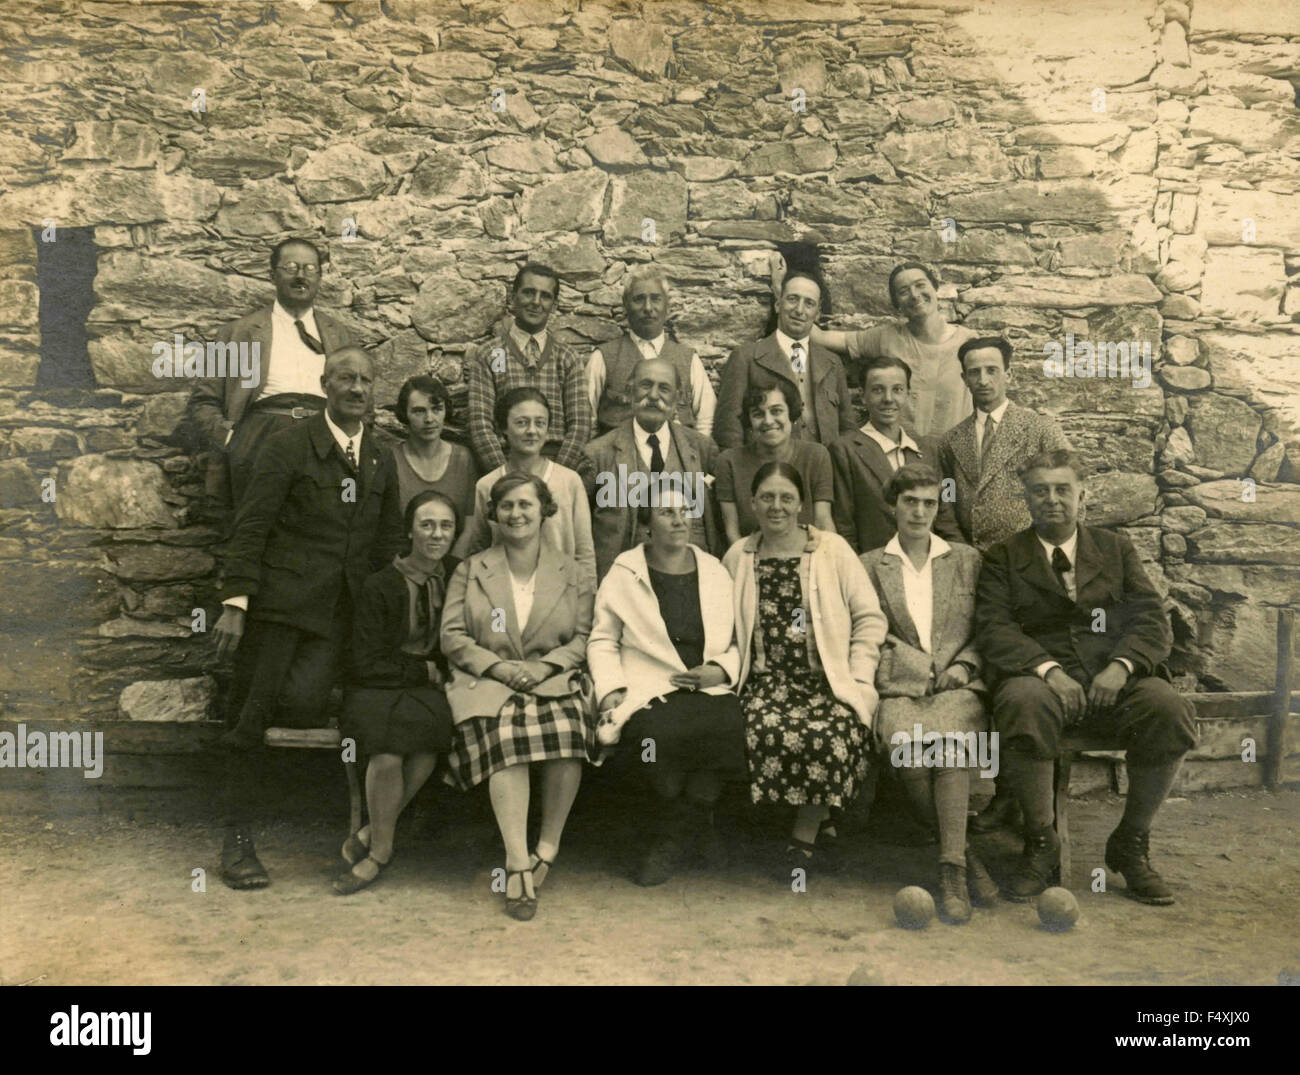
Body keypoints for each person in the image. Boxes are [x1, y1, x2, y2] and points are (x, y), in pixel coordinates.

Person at [212, 346, 404, 889]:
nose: (357, 388)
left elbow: (387, 540)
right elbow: (253, 522)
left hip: (339, 619)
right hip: (280, 609)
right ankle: (237, 842)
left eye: (366, 380)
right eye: (346, 378)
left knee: (303, 704)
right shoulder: (289, 443)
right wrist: (236, 602)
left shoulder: (379, 457)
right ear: (325, 384)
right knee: (250, 717)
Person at [975, 450, 1197, 904]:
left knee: (1168, 708)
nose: (1052, 499)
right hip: (1042, 683)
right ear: (1026, 498)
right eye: (1040, 491)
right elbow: (995, 628)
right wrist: (1049, 671)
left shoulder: (1115, 549)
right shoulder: (1003, 557)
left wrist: (1121, 666)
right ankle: (1042, 842)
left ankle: (1131, 842)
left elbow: (1151, 619)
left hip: (1114, 682)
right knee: (1021, 701)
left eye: (1063, 489)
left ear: (1082, 496)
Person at [440, 473, 596, 921]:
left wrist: (547, 666)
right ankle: (516, 861)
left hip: (550, 677)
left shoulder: (572, 572)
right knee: (507, 736)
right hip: (488, 680)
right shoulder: (472, 569)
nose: (516, 514)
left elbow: (585, 635)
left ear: (544, 510)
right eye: (506, 506)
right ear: (493, 514)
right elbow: (452, 635)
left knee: (567, 730)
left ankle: (546, 849)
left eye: (526, 504)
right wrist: (498, 667)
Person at [723, 461, 887, 874]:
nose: (776, 506)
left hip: (826, 681)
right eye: (767, 497)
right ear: (752, 503)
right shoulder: (738, 556)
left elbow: (869, 618)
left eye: (786, 498)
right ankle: (818, 818)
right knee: (760, 730)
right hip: (765, 683)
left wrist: (859, 677)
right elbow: (725, 631)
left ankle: (802, 839)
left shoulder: (831, 549)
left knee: (831, 733)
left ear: (801, 505)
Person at [860, 463, 997, 924]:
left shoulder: (967, 560)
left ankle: (951, 872)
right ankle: (964, 853)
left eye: (929, 503)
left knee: (951, 745)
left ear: (939, 508)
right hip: (900, 687)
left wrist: (964, 666)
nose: (919, 512)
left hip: (959, 686)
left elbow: (989, 627)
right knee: (910, 752)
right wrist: (918, 671)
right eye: (909, 502)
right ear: (892, 506)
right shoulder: (869, 565)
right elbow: (869, 634)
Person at [588, 493, 746, 886]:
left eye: (684, 512)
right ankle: (683, 829)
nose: (679, 520)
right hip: (648, 686)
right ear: (646, 526)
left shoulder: (714, 570)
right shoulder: (624, 573)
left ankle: (679, 831)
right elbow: (603, 639)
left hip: (706, 685)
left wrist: (720, 670)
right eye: (666, 513)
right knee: (653, 739)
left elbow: (739, 639)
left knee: (731, 726)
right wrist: (611, 688)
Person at [334, 490, 461, 894]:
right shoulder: (380, 583)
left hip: (427, 690)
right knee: (388, 754)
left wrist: (436, 672)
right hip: (377, 685)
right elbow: (364, 661)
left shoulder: (459, 576)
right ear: (410, 531)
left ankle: (373, 837)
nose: (436, 534)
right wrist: (423, 669)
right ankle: (381, 848)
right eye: (427, 525)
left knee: (427, 746)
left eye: (445, 526)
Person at [189, 238, 356, 511]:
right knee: (258, 526)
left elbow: (360, 398)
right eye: (290, 267)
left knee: (325, 524)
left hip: (325, 437)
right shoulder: (237, 333)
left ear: (319, 277)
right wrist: (232, 439)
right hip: (261, 439)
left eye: (310, 269)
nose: (301, 276)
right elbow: (203, 401)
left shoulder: (339, 335)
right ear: (272, 275)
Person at [586, 355, 722, 581]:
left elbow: (716, 523)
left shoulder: (702, 449)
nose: (653, 396)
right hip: (623, 582)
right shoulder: (598, 454)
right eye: (645, 385)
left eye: (664, 388)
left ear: (677, 397)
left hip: (689, 579)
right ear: (629, 392)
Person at [464, 261, 594, 488]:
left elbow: (580, 425)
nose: (536, 302)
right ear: (513, 297)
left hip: (555, 468)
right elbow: (480, 424)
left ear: (554, 305)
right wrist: (508, 481)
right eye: (528, 293)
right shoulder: (492, 354)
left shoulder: (567, 358)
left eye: (545, 296)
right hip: (506, 467)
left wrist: (554, 478)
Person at [811, 260, 974, 438]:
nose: (914, 295)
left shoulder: (967, 341)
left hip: (956, 450)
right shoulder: (886, 337)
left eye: (920, 285)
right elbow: (821, 338)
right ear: (897, 304)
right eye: (903, 291)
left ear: (935, 287)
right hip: (902, 451)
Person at [938, 336, 1072, 551]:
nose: (983, 380)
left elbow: (1072, 489)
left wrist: (1054, 549)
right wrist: (960, 548)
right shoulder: (951, 441)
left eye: (991, 370)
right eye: (974, 372)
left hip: (1030, 555)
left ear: (1008, 375)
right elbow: (948, 497)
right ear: (965, 379)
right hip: (974, 556)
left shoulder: (1040, 429)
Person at [455, 386, 595, 586]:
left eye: (540, 423)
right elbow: (479, 550)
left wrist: (587, 597)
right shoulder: (487, 485)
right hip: (504, 592)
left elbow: (584, 553)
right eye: (521, 423)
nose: (532, 431)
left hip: (561, 593)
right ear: (504, 428)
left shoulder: (569, 481)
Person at [828, 355, 963, 553]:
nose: (888, 399)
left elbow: (946, 516)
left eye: (897, 389)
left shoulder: (929, 451)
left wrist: (961, 558)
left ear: (907, 394)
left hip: (926, 564)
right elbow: (844, 524)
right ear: (863, 396)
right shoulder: (845, 450)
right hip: (872, 563)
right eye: (877, 390)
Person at [714, 270, 855, 450]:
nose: (799, 310)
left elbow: (848, 428)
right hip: (767, 464)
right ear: (778, 305)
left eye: (809, 303)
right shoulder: (746, 357)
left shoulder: (832, 363)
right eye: (793, 299)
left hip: (824, 465)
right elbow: (728, 428)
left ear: (817, 314)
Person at [586, 265, 717, 438]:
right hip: (619, 454)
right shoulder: (603, 358)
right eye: (639, 299)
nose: (648, 307)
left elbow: (706, 421)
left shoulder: (688, 359)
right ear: (626, 305)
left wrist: (692, 453)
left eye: (655, 299)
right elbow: (587, 422)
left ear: (666, 305)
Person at [716, 382, 834, 547]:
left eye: (776, 411)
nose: (768, 421)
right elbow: (732, 532)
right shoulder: (729, 461)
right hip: (750, 554)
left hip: (808, 552)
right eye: (758, 414)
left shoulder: (816, 455)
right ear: (749, 421)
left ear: (791, 414)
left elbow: (823, 520)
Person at [378, 374, 479, 520]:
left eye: (437, 409)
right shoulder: (390, 460)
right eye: (419, 411)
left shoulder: (463, 458)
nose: (429, 419)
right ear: (405, 414)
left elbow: (471, 523)